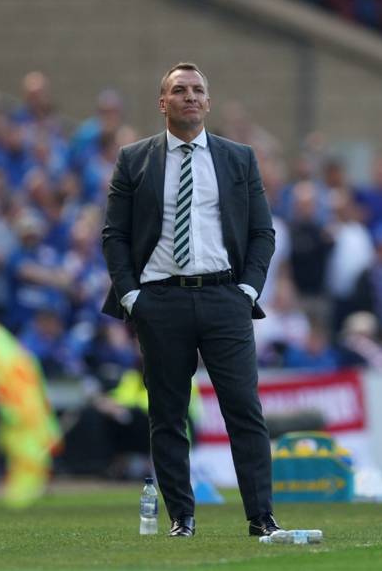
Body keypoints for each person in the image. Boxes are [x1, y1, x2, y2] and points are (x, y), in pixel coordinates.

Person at [101, 62, 282, 538]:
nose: (190, 97)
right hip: (160, 301)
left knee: (244, 409)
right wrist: (133, 297)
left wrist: (247, 289)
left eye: (198, 90)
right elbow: (114, 236)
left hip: (226, 297)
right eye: (179, 90)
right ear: (163, 103)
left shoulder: (238, 158)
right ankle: (182, 518)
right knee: (167, 415)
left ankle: (261, 516)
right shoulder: (134, 159)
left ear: (208, 102)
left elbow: (262, 232)